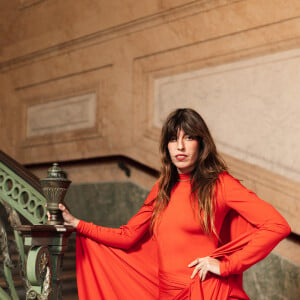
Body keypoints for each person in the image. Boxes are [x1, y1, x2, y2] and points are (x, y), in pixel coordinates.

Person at [55, 108, 291, 299]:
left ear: (201, 144)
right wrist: (77, 223)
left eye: (188, 138)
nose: (180, 146)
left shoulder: (220, 184)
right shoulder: (162, 188)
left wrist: (226, 266)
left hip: (205, 292)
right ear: (166, 147)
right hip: (166, 292)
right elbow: (127, 236)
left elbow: (277, 226)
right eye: (172, 139)